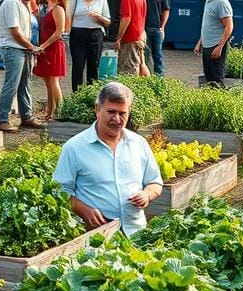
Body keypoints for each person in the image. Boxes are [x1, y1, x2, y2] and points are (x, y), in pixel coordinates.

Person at [53, 81, 163, 237]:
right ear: (98, 109)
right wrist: (83, 209)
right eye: (111, 112)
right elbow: (60, 190)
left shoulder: (139, 143)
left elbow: (155, 182)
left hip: (137, 233)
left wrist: (147, 195)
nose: (117, 119)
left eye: (122, 113)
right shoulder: (74, 148)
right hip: (97, 236)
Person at [0, 0, 44, 132]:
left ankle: (26, 116)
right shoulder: (12, 2)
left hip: (21, 48)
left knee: (25, 83)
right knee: (11, 84)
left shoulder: (24, 3)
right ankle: (3, 119)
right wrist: (31, 46)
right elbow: (15, 31)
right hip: (12, 47)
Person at [67, 0, 111, 92]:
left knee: (93, 66)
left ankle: (92, 94)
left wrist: (99, 17)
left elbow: (108, 22)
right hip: (78, 34)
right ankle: (77, 94)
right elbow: (68, 19)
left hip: (95, 34)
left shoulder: (102, 0)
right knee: (78, 65)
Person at [33, 0, 68, 121]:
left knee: (54, 81)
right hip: (45, 48)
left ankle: (61, 111)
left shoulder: (58, 8)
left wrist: (43, 46)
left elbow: (59, 32)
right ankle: (50, 112)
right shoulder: (47, 8)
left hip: (54, 48)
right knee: (47, 82)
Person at [193, 0, 234, 85]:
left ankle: (222, 100)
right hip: (207, 45)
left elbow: (229, 26)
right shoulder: (208, 1)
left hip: (216, 47)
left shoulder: (221, 2)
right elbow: (208, 25)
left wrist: (220, 47)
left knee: (217, 79)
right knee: (209, 79)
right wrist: (199, 43)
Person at [113, 0, 147, 76]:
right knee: (140, 64)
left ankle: (130, 91)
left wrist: (119, 37)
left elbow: (126, 19)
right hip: (140, 35)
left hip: (130, 38)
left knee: (128, 68)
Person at [141, 0, 170, 77]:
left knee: (157, 55)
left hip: (157, 29)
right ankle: (147, 77)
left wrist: (162, 27)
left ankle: (159, 79)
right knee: (145, 54)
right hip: (144, 29)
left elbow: (166, 10)